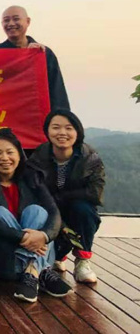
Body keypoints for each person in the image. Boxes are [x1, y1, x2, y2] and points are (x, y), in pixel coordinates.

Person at [0, 128, 71, 303]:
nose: (5, 158)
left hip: (32, 253)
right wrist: (24, 237)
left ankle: (31, 273)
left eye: (10, 152)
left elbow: (54, 213)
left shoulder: (32, 177)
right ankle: (39, 270)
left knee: (37, 211)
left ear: (19, 154)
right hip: (3, 261)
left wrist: (44, 236)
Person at [28, 110, 105, 284]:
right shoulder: (39, 156)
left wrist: (62, 197)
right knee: (39, 212)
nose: (62, 133)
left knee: (83, 209)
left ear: (78, 132)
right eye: (56, 127)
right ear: (47, 131)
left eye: (68, 128)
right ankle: (57, 256)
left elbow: (95, 193)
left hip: (76, 208)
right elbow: (33, 190)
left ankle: (82, 261)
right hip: (49, 207)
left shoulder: (89, 157)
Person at [0, 6, 70, 112]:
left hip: (37, 114)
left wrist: (61, 116)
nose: (11, 24)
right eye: (6, 20)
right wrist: (25, 56)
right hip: (5, 113)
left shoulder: (43, 53)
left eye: (16, 19)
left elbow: (56, 89)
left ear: (27, 21)